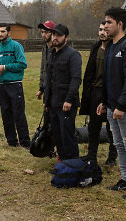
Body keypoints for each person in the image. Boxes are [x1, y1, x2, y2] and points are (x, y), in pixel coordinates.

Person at [97, 7, 126, 200]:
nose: (105, 26)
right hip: (111, 107)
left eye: (109, 22)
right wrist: (104, 101)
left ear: (120, 24)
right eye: (105, 22)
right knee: (118, 144)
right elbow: (109, 79)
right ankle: (125, 180)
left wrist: (122, 106)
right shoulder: (110, 47)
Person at [79, 22, 117, 166]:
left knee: (111, 126)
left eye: (105, 30)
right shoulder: (95, 48)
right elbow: (90, 72)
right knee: (93, 125)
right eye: (100, 29)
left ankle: (112, 157)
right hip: (94, 92)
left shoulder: (115, 49)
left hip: (110, 92)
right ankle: (91, 155)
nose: (102, 33)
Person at [43, 24, 81, 160]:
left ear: (66, 37)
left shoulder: (73, 55)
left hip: (66, 104)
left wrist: (69, 100)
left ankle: (72, 163)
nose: (55, 37)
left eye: (59, 35)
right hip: (53, 103)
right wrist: (46, 100)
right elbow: (49, 79)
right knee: (57, 134)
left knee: (67, 134)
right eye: (53, 35)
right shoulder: (51, 54)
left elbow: (76, 79)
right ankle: (62, 161)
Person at [0, 24, 31, 148]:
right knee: (6, 114)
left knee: (18, 114)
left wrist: (6, 67)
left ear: (8, 32)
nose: (0, 34)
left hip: (15, 85)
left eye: (3, 31)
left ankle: (25, 142)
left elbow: (22, 64)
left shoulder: (16, 46)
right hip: (1, 85)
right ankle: (11, 142)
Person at [35, 20, 56, 100]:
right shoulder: (45, 49)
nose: (43, 35)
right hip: (46, 90)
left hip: (56, 91)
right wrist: (41, 89)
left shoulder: (57, 50)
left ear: (53, 33)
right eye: (42, 32)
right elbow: (43, 69)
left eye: (46, 32)